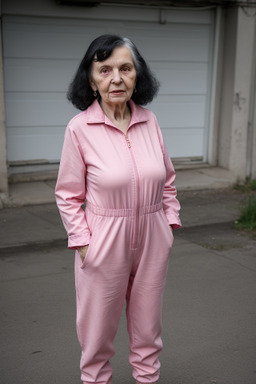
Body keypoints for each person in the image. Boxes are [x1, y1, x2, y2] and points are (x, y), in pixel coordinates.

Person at [55, 34, 181, 384]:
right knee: (96, 333)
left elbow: (167, 179)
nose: (116, 78)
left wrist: (169, 222)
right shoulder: (80, 129)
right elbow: (67, 194)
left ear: (137, 76)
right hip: (103, 238)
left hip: (153, 236)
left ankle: (147, 379)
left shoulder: (149, 121)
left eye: (125, 68)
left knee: (147, 328)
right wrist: (83, 243)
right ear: (91, 79)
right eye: (105, 69)